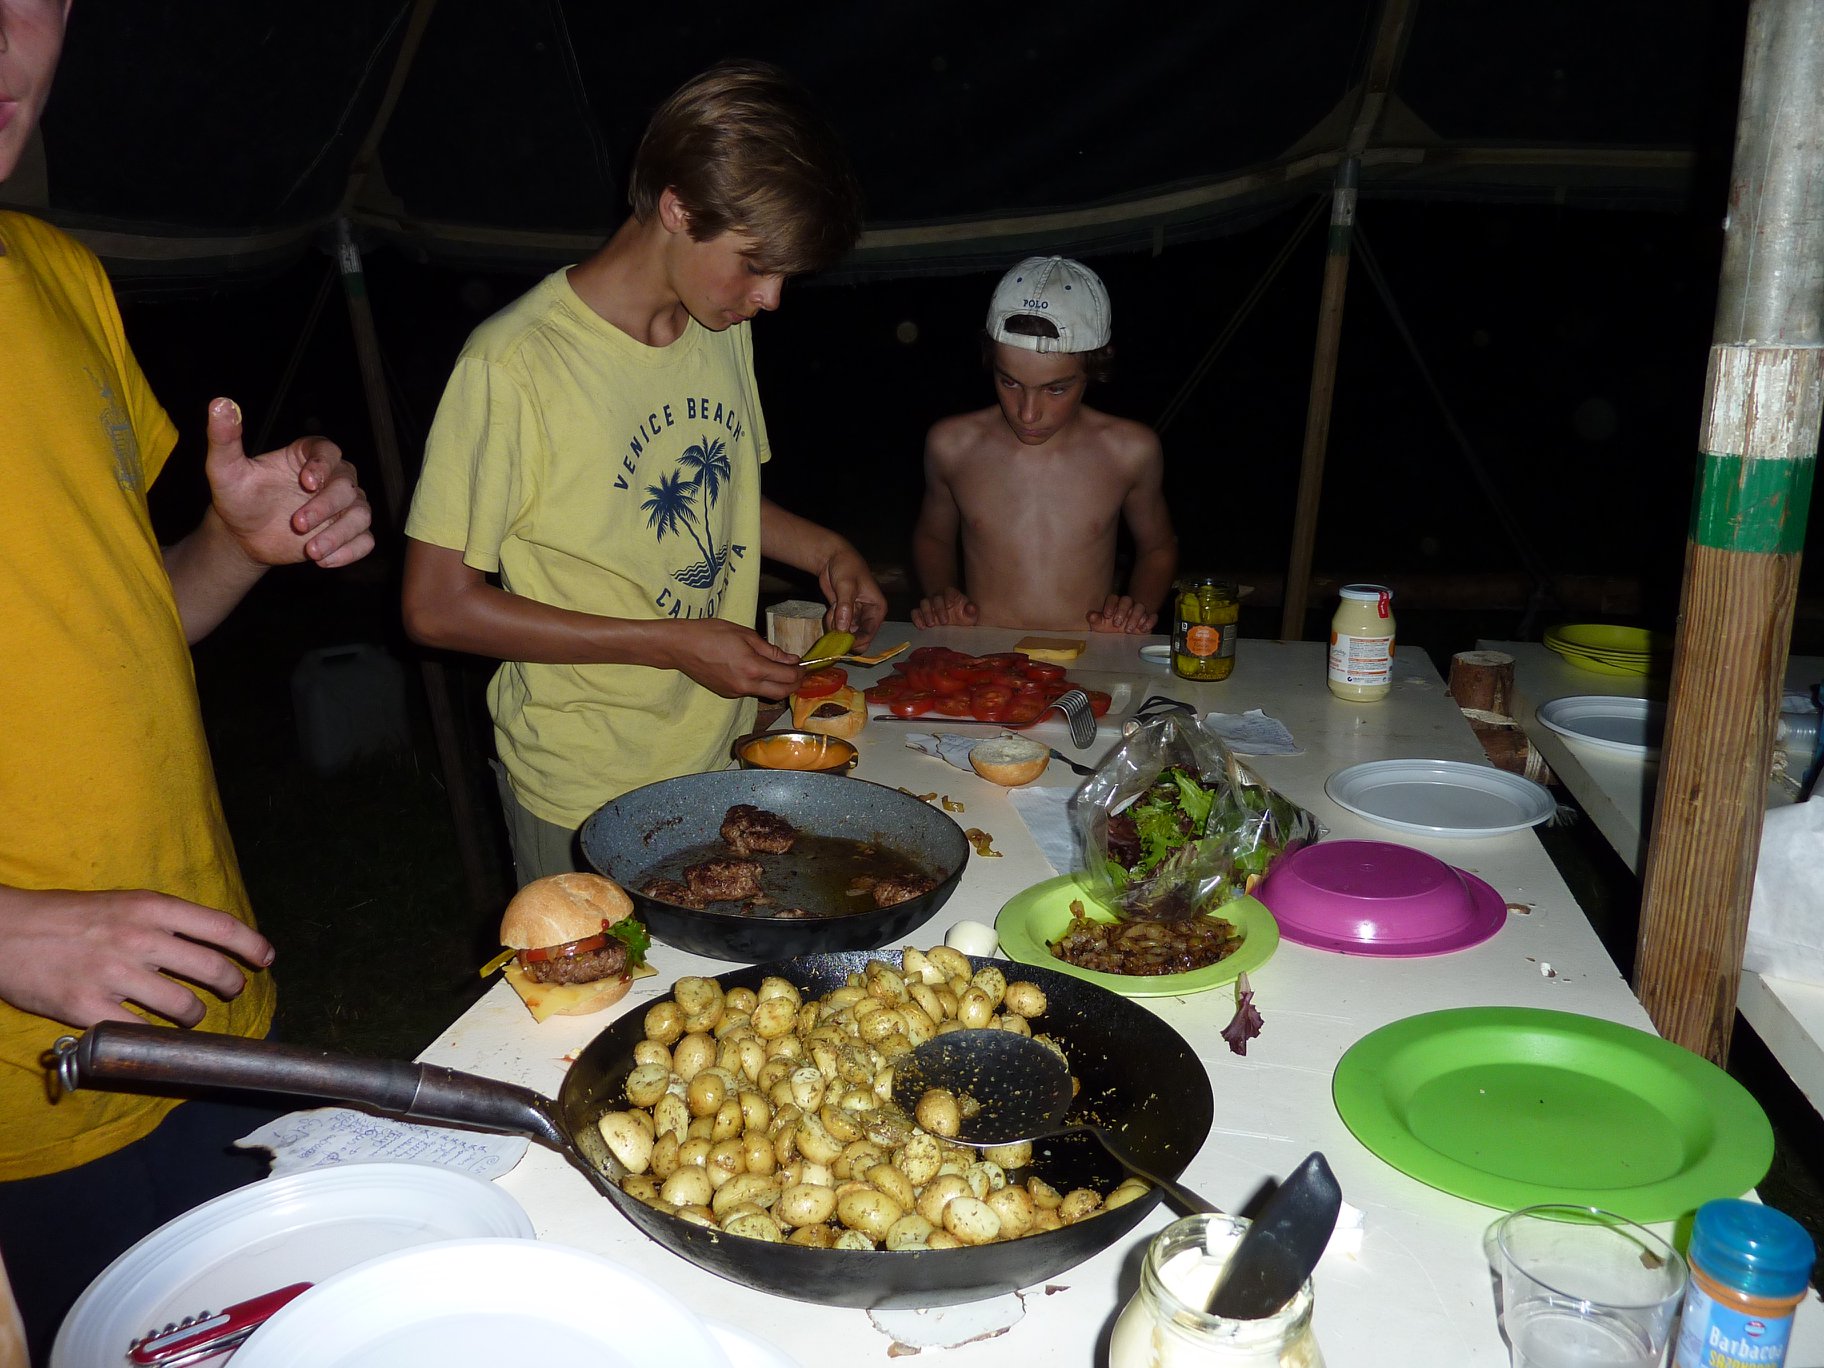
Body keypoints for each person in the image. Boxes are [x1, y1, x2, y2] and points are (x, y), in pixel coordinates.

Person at [0, 1, 375, 1356]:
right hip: (26, 1097)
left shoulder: (53, 276)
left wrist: (232, 546)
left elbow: (117, 622)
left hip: (205, 1008)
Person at [402, 59, 885, 885]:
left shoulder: (719, 325)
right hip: (587, 787)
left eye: (784, 276)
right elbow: (436, 607)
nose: (769, 299)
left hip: (725, 754)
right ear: (677, 207)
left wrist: (825, 549)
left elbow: (720, 490)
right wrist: (672, 646)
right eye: (755, 265)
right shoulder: (515, 364)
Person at [911, 255, 1177, 633]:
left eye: (1056, 389)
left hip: (1091, 660)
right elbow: (933, 536)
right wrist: (941, 594)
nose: (1028, 413)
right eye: (1010, 382)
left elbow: (1158, 548)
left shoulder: (1130, 451)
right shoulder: (952, 445)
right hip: (981, 662)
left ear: (1093, 369)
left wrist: (1135, 612)